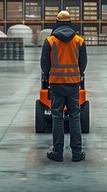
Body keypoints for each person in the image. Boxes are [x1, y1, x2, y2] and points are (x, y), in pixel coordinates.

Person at [41, 10, 88, 162]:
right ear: (70, 23)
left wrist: (49, 76)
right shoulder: (79, 41)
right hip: (73, 83)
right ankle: (77, 153)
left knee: (57, 117)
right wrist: (77, 74)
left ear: (56, 23)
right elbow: (83, 63)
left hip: (56, 84)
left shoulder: (50, 41)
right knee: (75, 117)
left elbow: (44, 64)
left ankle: (57, 152)